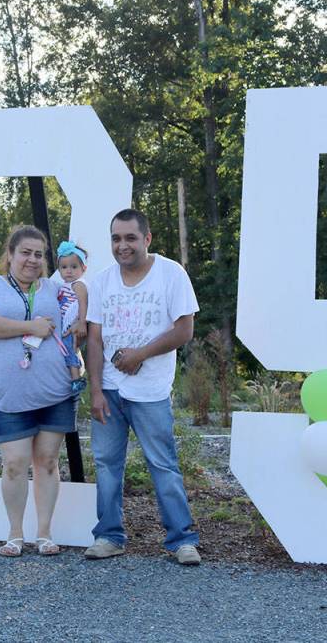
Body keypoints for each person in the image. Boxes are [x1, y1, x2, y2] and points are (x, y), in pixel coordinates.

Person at [84, 208, 202, 566]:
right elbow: (94, 339)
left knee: (162, 465)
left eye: (130, 238)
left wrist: (140, 354)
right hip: (110, 390)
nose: (123, 246)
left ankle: (181, 540)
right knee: (106, 465)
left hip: (150, 392)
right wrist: (95, 391)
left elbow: (185, 330)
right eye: (116, 239)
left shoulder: (171, 274)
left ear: (147, 239)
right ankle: (109, 537)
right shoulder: (103, 281)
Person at [0, 225, 77, 557]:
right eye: (25, 252)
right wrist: (30, 327)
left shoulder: (55, 289)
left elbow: (73, 322)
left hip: (55, 392)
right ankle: (15, 533)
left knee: (46, 461)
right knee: (14, 463)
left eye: (39, 254)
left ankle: (44, 533)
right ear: (10, 255)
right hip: (10, 394)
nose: (32, 260)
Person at [55, 240, 89, 394]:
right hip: (64, 323)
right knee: (65, 349)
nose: (68, 271)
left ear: (83, 268)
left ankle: (76, 379)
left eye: (74, 267)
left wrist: (81, 322)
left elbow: (83, 303)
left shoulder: (79, 284)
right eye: (64, 267)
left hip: (72, 324)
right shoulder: (64, 286)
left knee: (69, 349)